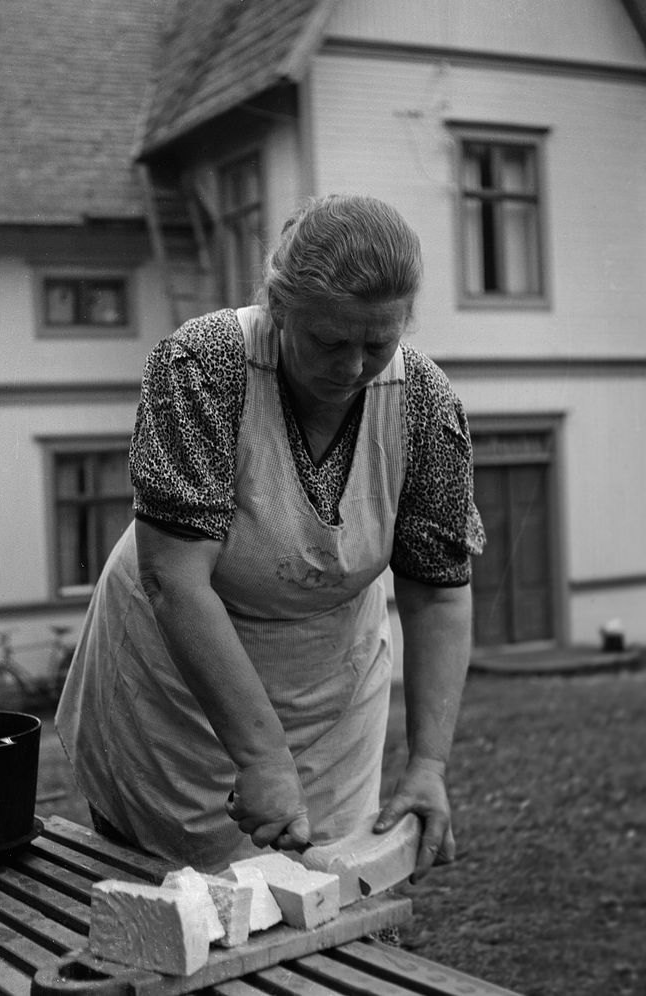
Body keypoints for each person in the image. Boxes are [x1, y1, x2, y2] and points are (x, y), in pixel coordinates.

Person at [55, 193, 485, 876]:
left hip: (328, 683)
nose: (351, 369)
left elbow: (437, 591)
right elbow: (175, 579)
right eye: (329, 342)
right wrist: (260, 756)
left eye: (377, 343)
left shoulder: (425, 404)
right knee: (163, 902)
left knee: (325, 896)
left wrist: (428, 763)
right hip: (175, 677)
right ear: (279, 309)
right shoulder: (204, 365)